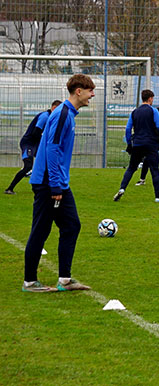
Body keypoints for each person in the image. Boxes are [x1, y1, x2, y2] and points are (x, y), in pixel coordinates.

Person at [22, 74, 94, 292]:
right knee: (41, 230)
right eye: (90, 90)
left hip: (58, 181)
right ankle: (30, 282)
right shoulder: (62, 114)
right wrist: (55, 186)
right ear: (78, 91)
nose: (92, 95)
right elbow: (52, 150)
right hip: (48, 182)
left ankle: (65, 279)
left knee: (72, 225)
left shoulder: (69, 114)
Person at [113, 89, 159, 203]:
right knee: (154, 169)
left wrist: (129, 144)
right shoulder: (153, 111)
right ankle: (158, 197)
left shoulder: (135, 112)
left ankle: (122, 189)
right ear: (150, 99)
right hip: (150, 143)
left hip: (138, 143)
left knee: (131, 168)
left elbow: (127, 128)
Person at [5, 100, 62, 194]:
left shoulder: (51, 117)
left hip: (35, 144)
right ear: (54, 108)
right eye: (58, 110)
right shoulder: (44, 116)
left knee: (46, 163)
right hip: (28, 143)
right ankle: (9, 189)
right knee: (27, 166)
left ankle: (40, 187)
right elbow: (36, 133)